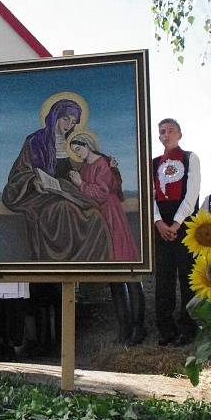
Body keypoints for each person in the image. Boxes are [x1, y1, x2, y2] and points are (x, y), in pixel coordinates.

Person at [1, 98, 112, 262]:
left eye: (73, 122)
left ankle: (89, 270)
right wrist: (33, 181)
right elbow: (19, 171)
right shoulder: (35, 141)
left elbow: (83, 167)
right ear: (55, 116)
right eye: (65, 119)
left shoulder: (73, 142)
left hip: (67, 191)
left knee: (94, 216)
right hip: (41, 194)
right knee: (63, 209)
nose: (69, 125)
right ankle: (60, 263)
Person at [68, 131, 146, 345]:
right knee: (114, 278)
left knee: (128, 271)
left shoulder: (102, 163)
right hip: (99, 220)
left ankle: (139, 329)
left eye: (79, 149)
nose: (78, 154)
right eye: (74, 151)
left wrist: (79, 184)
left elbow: (101, 193)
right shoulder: (84, 167)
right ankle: (124, 330)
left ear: (88, 145)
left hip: (111, 217)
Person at [153, 118, 200, 346]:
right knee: (164, 278)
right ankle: (166, 329)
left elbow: (191, 195)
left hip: (185, 224)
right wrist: (159, 222)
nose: (166, 134)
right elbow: (150, 196)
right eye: (162, 131)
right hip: (161, 226)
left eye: (171, 131)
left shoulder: (191, 158)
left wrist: (176, 223)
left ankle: (188, 328)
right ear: (159, 136)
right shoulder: (153, 164)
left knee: (187, 278)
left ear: (179, 134)